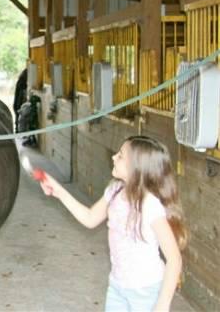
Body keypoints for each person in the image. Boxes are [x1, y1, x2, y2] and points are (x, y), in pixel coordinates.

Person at [37, 136, 187, 312]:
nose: (113, 157)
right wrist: (59, 191)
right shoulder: (115, 191)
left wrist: (162, 305)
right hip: (117, 286)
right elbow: (90, 218)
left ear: (137, 168)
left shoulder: (150, 205)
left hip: (146, 291)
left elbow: (174, 259)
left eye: (121, 156)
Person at [13, 67, 28, 131]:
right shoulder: (22, 82)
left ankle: (17, 130)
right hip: (18, 103)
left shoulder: (21, 80)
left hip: (17, 103)